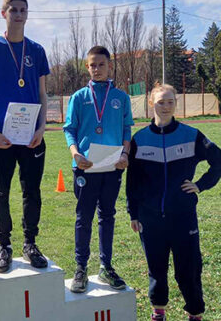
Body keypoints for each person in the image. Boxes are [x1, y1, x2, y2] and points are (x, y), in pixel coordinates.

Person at [127, 84, 221, 321]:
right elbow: (132, 182)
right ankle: (158, 311)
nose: (166, 107)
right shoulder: (140, 139)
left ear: (176, 103)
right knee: (156, 268)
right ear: (151, 103)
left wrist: (200, 185)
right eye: (161, 102)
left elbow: (220, 161)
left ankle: (195, 313)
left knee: (188, 269)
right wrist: (133, 213)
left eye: (170, 102)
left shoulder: (191, 135)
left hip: (183, 217)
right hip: (150, 218)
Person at [0, 0, 50, 272]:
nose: (18, 14)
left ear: (27, 14)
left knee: (32, 191)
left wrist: (42, 126)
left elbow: (42, 94)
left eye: (22, 10)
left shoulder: (37, 51)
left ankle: (30, 244)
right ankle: (4, 246)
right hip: (1, 137)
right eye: (13, 9)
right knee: (1, 192)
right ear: (3, 13)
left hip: (31, 137)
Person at [63, 46, 133, 293]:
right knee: (84, 217)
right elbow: (69, 129)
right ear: (87, 67)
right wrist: (75, 153)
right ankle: (80, 268)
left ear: (109, 66)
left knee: (107, 216)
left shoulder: (121, 98)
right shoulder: (79, 97)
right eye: (92, 65)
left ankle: (106, 266)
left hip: (112, 166)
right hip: (85, 166)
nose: (97, 69)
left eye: (101, 64)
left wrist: (125, 154)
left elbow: (127, 129)